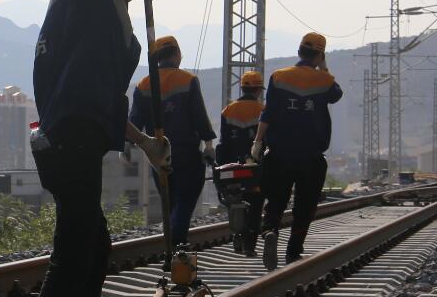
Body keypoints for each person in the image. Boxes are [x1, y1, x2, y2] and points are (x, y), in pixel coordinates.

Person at [26, 0, 169, 297]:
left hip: (78, 135)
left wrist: (145, 143)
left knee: (95, 241)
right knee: (73, 250)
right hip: (71, 137)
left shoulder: (111, 23)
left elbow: (105, 103)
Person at [250, 33, 343, 270]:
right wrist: (323, 67)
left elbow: (268, 113)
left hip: (279, 152)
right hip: (311, 156)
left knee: (276, 199)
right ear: (319, 54)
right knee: (305, 204)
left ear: (299, 50)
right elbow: (336, 95)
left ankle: (270, 230)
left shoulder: (279, 77)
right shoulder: (324, 81)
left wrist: (258, 142)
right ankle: (293, 250)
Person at [129, 36, 215, 247]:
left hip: (158, 155)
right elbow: (199, 116)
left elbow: (134, 122)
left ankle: (173, 243)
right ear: (177, 54)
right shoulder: (188, 80)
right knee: (186, 197)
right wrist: (209, 145)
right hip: (187, 152)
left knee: (170, 200)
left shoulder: (143, 85)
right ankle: (176, 241)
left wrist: (126, 148)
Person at [217, 70, 265, 255]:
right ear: (258, 90)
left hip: (232, 166)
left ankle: (237, 235)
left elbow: (224, 142)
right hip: (256, 166)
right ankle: (249, 245)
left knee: (235, 200)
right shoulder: (263, 111)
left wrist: (220, 166)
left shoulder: (228, 111)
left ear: (242, 88)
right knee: (255, 203)